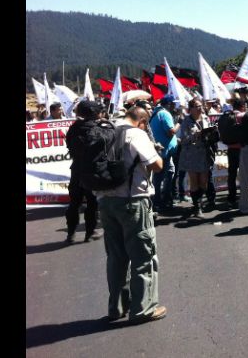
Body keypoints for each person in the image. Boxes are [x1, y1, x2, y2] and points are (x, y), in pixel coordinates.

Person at [95, 107, 166, 324]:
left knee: (116, 257)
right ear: (142, 121)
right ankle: (143, 309)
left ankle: (116, 307)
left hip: (105, 201)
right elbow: (157, 165)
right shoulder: (136, 134)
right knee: (143, 255)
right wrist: (154, 150)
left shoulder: (104, 132)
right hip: (132, 200)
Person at [64, 100, 105, 244]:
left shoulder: (74, 127)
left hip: (76, 169)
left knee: (74, 203)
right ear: (93, 113)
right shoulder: (97, 128)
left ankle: (71, 234)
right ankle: (90, 232)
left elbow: (69, 145)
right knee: (92, 203)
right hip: (91, 171)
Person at [178, 98, 214, 217]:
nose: (200, 108)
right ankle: (197, 207)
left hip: (204, 154)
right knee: (194, 181)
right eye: (197, 106)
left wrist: (212, 133)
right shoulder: (186, 121)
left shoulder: (206, 118)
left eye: (200, 106)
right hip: (191, 155)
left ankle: (199, 200)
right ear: (191, 109)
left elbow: (210, 134)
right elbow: (183, 140)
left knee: (203, 182)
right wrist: (195, 135)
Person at [149, 95, 179, 212]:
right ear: (168, 104)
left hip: (163, 150)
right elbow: (170, 132)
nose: (175, 106)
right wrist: (179, 123)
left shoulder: (156, 112)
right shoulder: (165, 113)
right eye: (173, 103)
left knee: (169, 172)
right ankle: (158, 201)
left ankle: (166, 198)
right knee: (160, 177)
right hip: (164, 151)